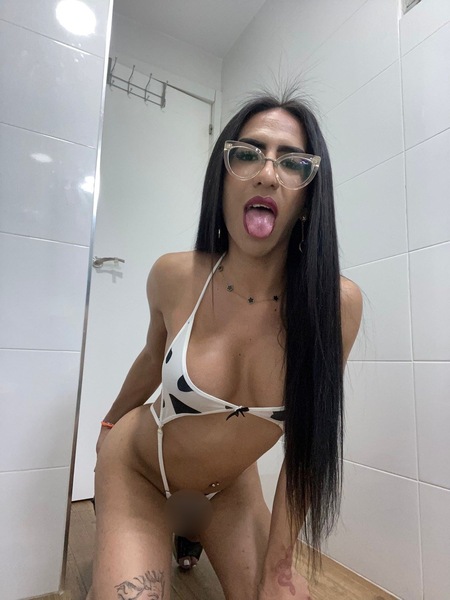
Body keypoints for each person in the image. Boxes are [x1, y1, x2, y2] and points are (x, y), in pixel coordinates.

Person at [87, 90, 362, 600]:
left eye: (292, 162)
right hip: (141, 471)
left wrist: (280, 568)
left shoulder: (334, 307)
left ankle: (192, 535)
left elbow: (308, 444)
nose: (268, 173)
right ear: (223, 180)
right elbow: (151, 358)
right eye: (248, 153)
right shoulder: (175, 275)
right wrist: (107, 424)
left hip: (229, 487)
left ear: (308, 200)